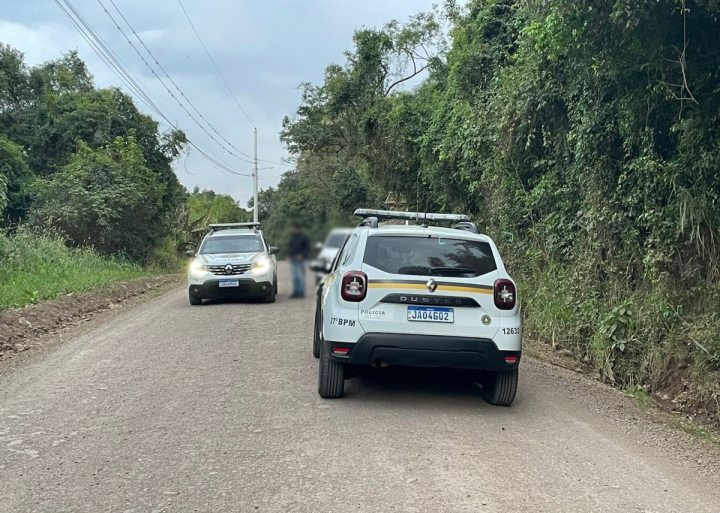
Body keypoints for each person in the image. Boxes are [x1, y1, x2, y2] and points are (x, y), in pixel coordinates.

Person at [288, 222, 310, 298]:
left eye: (292, 228)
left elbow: (307, 248)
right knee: (294, 277)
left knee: (300, 276)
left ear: (296, 228)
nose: (291, 230)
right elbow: (290, 247)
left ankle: (301, 292)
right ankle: (296, 292)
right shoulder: (293, 237)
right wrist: (288, 255)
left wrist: (302, 255)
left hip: (301, 259)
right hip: (293, 258)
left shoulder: (303, 237)